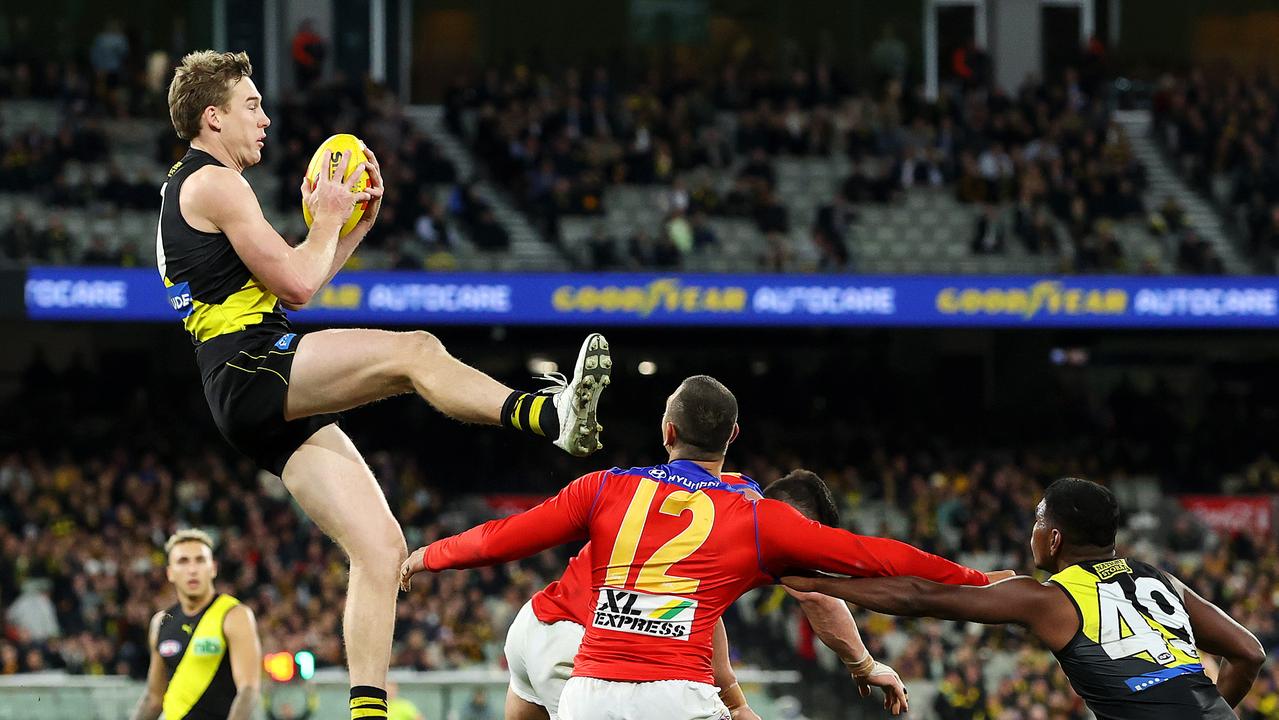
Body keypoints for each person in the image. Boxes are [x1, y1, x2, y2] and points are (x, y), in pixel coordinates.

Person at [159, 51, 611, 720]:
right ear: (213, 116)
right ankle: (548, 417)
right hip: (251, 365)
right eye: (252, 105)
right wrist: (324, 223)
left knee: (381, 548)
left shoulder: (195, 185)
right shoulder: (216, 184)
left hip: (246, 375)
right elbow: (298, 283)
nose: (266, 118)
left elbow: (294, 284)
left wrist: (348, 231)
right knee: (415, 352)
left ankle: (367, 711)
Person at [402, 375, 995, 720]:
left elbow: (508, 535)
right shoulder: (754, 521)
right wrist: (983, 583)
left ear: (667, 431)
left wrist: (429, 555)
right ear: (734, 437)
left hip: (541, 635)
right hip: (628, 673)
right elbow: (878, 560)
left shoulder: (608, 484)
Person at [782, 478, 1267, 720]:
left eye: (1038, 521)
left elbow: (919, 596)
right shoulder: (1161, 579)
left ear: (1054, 539)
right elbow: (1249, 652)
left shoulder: (1048, 598)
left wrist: (825, 583)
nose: (1032, 531)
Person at [501, 468, 908, 720]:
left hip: (536, 626)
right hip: (584, 647)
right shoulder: (757, 530)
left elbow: (697, 618)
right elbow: (818, 597)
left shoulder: (715, 492)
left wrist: (735, 701)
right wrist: (864, 665)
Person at [131, 529, 262, 720]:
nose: (192, 569)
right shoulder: (161, 622)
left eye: (200, 560)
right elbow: (154, 699)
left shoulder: (233, 615)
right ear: (170, 573)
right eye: (183, 561)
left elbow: (248, 690)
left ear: (213, 568)